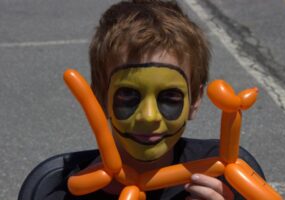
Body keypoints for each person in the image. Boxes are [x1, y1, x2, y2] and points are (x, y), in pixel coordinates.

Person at [20, 1, 265, 199]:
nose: (148, 116)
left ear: (195, 100)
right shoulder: (61, 192)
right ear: (100, 98)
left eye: (170, 96)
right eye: (128, 95)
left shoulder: (228, 180)